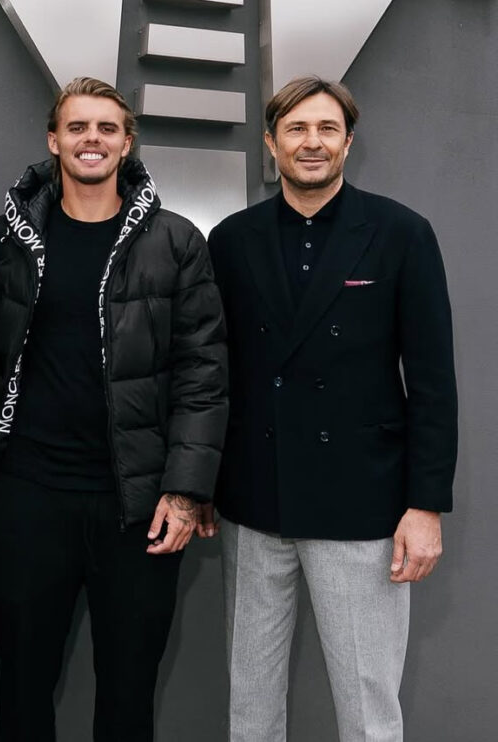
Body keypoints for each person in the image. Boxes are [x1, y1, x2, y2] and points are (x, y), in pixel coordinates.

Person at [206, 76, 458, 742]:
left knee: (369, 711)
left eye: (326, 129)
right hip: (254, 500)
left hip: (362, 506)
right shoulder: (231, 239)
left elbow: (433, 382)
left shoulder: (401, 234)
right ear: (271, 143)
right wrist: (199, 481)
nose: (311, 142)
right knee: (250, 705)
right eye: (296, 129)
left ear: (348, 142)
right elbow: (211, 373)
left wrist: (425, 505)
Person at [0, 76, 228, 742]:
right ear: (53, 140)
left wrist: (185, 490)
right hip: (32, 497)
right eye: (77, 127)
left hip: (139, 506)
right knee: (22, 685)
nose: (91, 138)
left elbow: (204, 374)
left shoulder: (176, 242)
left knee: (128, 692)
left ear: (126, 144)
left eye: (106, 128)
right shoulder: (10, 239)